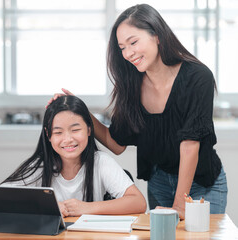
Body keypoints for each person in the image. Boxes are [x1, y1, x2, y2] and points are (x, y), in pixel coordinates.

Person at [47, 4, 227, 219]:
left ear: (157, 35)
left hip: (201, 185)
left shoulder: (197, 77)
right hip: (159, 183)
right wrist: (80, 111)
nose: (128, 53)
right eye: (122, 47)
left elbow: (190, 146)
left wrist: (180, 205)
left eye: (133, 42)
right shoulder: (131, 85)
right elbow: (116, 144)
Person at [2, 95, 147, 217]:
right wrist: (48, 207)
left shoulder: (101, 162)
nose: (68, 139)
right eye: (58, 132)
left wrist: (87, 208)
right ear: (48, 135)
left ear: (89, 129)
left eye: (75, 130)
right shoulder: (40, 166)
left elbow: (138, 202)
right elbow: (1, 198)